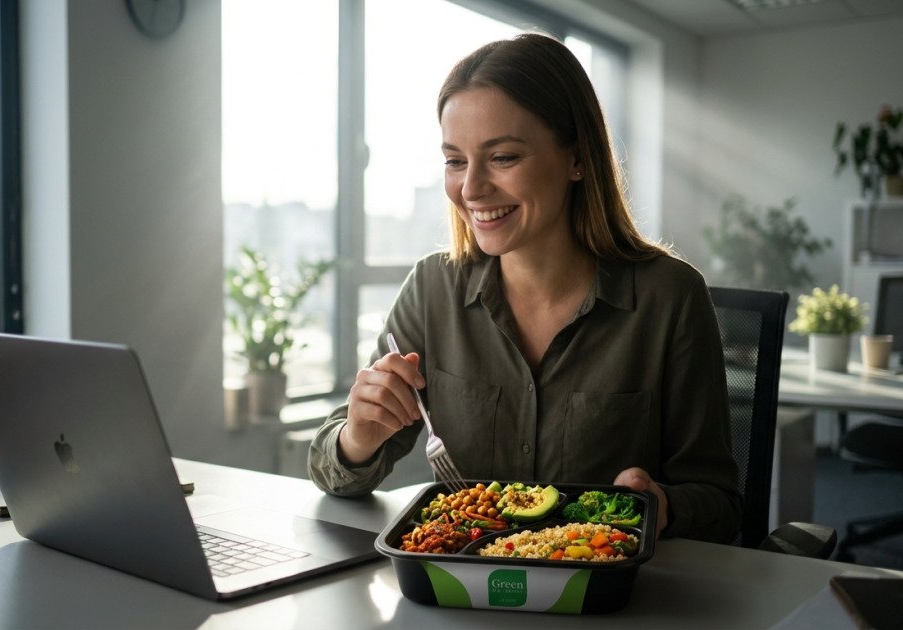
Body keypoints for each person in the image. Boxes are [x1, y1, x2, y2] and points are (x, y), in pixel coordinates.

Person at [309, 32, 740, 543]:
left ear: (577, 159)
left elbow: (720, 505)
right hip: (460, 595)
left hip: (606, 600)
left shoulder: (670, 297)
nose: (470, 189)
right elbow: (333, 470)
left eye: (503, 157)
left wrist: (661, 506)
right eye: (454, 160)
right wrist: (359, 435)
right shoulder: (432, 288)